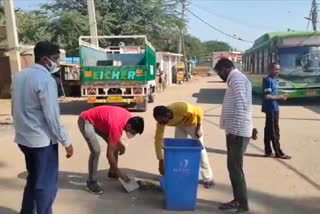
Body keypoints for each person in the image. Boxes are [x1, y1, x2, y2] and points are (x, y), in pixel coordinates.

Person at [11, 41, 74, 214]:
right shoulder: (45, 79)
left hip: (24, 139)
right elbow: (52, 116)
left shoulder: (19, 76)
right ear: (44, 59)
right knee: (45, 185)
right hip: (41, 141)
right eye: (55, 59)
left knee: (33, 179)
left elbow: (14, 107)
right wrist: (66, 141)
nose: (57, 63)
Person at [214, 58, 257, 214]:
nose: (220, 76)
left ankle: (243, 206)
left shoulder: (237, 79)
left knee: (235, 168)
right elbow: (245, 104)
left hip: (237, 132)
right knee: (233, 167)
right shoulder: (235, 79)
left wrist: (235, 130)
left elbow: (242, 105)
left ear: (225, 69)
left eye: (219, 73)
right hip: (236, 130)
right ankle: (237, 200)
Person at [78, 106, 144, 194]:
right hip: (86, 120)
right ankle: (91, 182)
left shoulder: (129, 118)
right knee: (96, 150)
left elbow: (114, 137)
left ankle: (112, 173)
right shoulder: (117, 125)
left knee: (115, 145)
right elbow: (109, 154)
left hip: (100, 122)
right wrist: (120, 174)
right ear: (129, 126)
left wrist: (121, 145)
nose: (133, 134)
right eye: (133, 132)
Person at [153, 102, 215, 188]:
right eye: (159, 122)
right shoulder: (161, 122)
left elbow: (199, 111)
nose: (162, 124)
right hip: (180, 126)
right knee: (178, 151)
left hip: (193, 124)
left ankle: (208, 178)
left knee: (201, 151)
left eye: (163, 121)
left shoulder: (180, 107)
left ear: (167, 115)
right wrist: (160, 160)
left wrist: (199, 127)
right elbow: (158, 140)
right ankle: (181, 175)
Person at [262, 63, 291, 159]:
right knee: (274, 131)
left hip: (274, 107)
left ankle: (268, 151)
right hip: (271, 109)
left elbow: (272, 94)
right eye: (275, 69)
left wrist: (280, 96)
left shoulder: (274, 80)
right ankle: (279, 153)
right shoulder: (268, 80)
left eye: (278, 69)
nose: (277, 71)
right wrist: (280, 97)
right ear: (270, 69)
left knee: (268, 130)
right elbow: (267, 96)